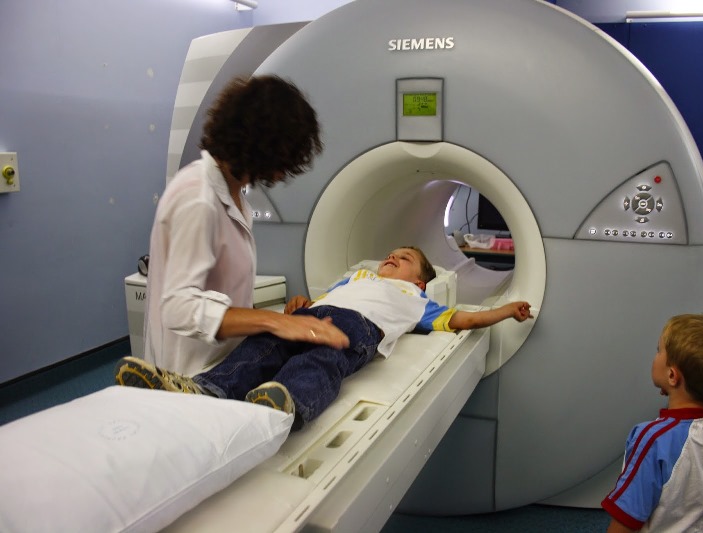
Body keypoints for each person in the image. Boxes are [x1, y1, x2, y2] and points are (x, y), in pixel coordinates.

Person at [116, 246, 534, 430]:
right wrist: (300, 305)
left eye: (404, 258)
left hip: (358, 326)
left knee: (321, 360)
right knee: (263, 343)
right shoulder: (356, 276)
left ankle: (291, 402)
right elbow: (324, 299)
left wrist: (503, 310)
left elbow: (461, 319)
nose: (392, 258)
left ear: (421, 281)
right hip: (315, 314)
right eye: (390, 254)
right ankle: (208, 387)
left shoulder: (415, 299)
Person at [142, 74, 348, 377]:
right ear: (265, 145)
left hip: (224, 362)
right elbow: (178, 307)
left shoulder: (234, 193)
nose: (285, 172)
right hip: (189, 372)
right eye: (286, 156)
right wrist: (275, 321)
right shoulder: (198, 198)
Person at [602, 314, 703, 533]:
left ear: (672, 376)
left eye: (659, 350)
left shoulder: (652, 439)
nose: (655, 356)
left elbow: (626, 520)